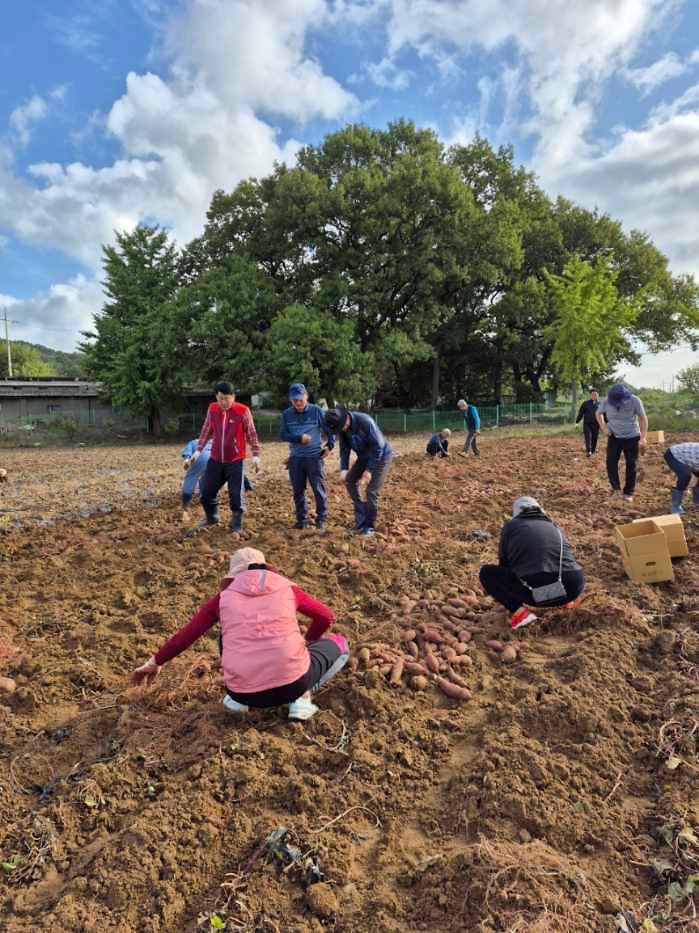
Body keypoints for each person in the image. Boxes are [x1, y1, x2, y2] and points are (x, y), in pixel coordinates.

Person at [132, 548, 350, 721]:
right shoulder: (287, 588)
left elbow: (186, 636)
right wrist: (309, 641)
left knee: (227, 635)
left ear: (234, 574)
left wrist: (155, 662)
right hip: (293, 684)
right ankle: (301, 697)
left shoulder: (222, 599)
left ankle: (238, 704)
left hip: (241, 692)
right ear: (265, 568)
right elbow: (325, 617)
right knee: (340, 644)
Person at [479, 497, 585, 630]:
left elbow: (505, 564)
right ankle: (566, 602)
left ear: (517, 513)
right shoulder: (554, 526)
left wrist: (508, 595)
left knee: (487, 573)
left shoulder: (511, 527)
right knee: (564, 564)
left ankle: (521, 614)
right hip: (573, 588)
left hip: (537, 594)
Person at [190, 382, 261, 533]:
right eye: (221, 398)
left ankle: (236, 524)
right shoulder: (212, 409)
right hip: (216, 459)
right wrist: (197, 451)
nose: (224, 402)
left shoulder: (243, 411)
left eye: (227, 398)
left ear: (233, 397)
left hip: (235, 460)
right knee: (206, 491)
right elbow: (206, 430)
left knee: (236, 495)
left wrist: (256, 455)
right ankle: (212, 517)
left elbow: (251, 433)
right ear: (216, 397)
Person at [323, 407, 393, 538]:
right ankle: (360, 521)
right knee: (350, 481)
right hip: (363, 457)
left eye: (342, 427)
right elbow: (344, 450)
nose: (342, 430)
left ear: (346, 418)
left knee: (371, 491)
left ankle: (369, 526)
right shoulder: (342, 429)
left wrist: (369, 471)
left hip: (381, 456)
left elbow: (378, 448)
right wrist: (344, 469)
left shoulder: (365, 422)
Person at [279, 383, 334, 530]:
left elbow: (330, 430)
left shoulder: (317, 411)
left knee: (318, 489)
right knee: (298, 491)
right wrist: (299, 438)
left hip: (314, 458)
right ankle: (301, 520)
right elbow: (283, 435)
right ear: (290, 400)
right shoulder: (286, 414)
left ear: (306, 397)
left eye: (300, 399)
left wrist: (329, 446)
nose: (298, 402)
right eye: (294, 400)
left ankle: (321, 519)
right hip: (296, 458)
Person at [181, 438, 253, 523]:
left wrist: (186, 460)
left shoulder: (193, 442)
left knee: (192, 480)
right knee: (233, 472)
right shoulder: (217, 440)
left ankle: (185, 509)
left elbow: (187, 453)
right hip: (216, 461)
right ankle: (248, 486)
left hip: (199, 461)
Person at [596, 384, 647, 503]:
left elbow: (643, 418)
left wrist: (643, 437)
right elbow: (598, 413)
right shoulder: (606, 401)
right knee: (611, 463)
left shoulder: (635, 400)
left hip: (632, 436)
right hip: (614, 436)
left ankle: (628, 493)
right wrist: (604, 428)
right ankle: (616, 490)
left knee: (631, 464)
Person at [664, 442, 699, 514]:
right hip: (674, 454)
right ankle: (676, 506)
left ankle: (697, 501)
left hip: (691, 458)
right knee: (685, 476)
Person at [575, 387, 600, 456]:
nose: (594, 396)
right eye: (592, 394)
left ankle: (593, 450)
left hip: (596, 424)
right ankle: (588, 451)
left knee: (595, 438)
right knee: (588, 437)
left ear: (598, 395)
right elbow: (581, 413)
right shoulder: (585, 403)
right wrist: (577, 422)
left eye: (595, 394)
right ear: (590, 395)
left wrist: (607, 423)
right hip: (587, 424)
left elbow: (604, 414)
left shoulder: (600, 404)